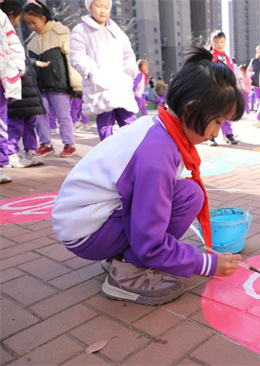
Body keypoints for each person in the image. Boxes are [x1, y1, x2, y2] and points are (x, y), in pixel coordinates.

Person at [52, 45, 244, 306]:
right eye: (218, 121)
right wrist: (206, 263)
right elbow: (148, 237)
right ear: (190, 110)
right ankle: (128, 273)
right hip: (86, 234)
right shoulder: (157, 153)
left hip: (86, 220)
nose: (217, 133)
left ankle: (124, 258)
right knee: (183, 201)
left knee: (189, 194)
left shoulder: (158, 128)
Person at [70, 0, 139, 141]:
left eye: (106, 7)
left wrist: (128, 73)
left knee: (130, 123)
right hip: (100, 86)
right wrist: (93, 73)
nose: (103, 10)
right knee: (105, 124)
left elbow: (129, 54)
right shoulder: (81, 30)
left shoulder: (117, 32)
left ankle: (133, 155)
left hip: (120, 85)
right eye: (98, 6)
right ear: (89, 6)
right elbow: (77, 55)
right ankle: (109, 157)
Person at [24, 0, 80, 157]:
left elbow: (71, 59)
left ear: (43, 18)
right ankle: (45, 143)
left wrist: (75, 85)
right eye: (28, 24)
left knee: (63, 115)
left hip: (59, 84)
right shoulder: (31, 41)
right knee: (40, 115)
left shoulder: (61, 33)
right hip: (39, 85)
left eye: (34, 22)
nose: (31, 27)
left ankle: (69, 144)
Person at [0, 2, 25, 182]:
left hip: (0, 80)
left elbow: (14, 44)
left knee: (1, 123)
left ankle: (0, 166)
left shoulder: (1, 18)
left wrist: (16, 68)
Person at [209, 30, 237, 145]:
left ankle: (228, 134)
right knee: (213, 113)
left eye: (221, 42)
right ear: (212, 43)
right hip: (215, 90)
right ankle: (210, 135)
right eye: (216, 42)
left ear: (225, 42)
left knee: (227, 113)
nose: (219, 44)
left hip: (226, 90)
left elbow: (231, 72)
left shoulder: (227, 57)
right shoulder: (211, 57)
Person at [247, 45, 260, 112]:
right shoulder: (253, 60)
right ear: (257, 51)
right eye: (259, 50)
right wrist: (251, 74)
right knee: (258, 98)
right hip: (255, 83)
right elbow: (248, 70)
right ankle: (258, 111)